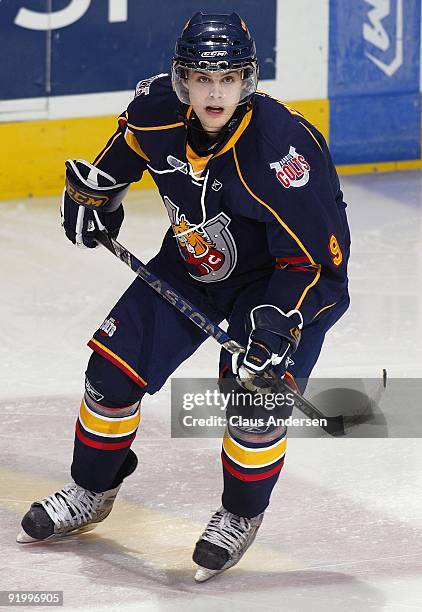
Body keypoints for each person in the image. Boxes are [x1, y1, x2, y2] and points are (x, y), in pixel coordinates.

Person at [17, 12, 350, 582]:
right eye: (202, 78)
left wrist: (276, 328)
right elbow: (120, 154)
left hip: (278, 285)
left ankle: (239, 514)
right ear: (182, 80)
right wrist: (98, 197)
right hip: (192, 262)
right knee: (110, 375)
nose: (214, 92)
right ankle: (91, 489)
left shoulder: (282, 149)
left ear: (248, 80)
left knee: (255, 401)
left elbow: (319, 262)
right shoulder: (156, 111)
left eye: (227, 78)